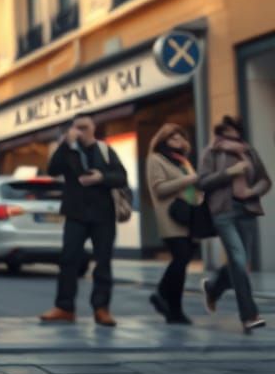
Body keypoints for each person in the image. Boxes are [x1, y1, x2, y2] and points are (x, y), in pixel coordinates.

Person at [40, 113, 128, 327]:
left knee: (103, 263)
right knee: (68, 260)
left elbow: (122, 176)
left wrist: (102, 178)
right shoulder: (68, 150)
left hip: (103, 215)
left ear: (93, 128)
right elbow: (52, 170)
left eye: (84, 127)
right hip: (76, 214)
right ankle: (64, 308)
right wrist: (64, 144)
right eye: (76, 127)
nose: (80, 131)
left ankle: (101, 309)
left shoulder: (105, 150)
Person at [198, 116, 270, 333]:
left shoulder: (249, 152)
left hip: (247, 210)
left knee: (241, 263)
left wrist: (252, 191)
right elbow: (202, 181)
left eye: (235, 131)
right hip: (223, 212)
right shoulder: (211, 152)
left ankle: (212, 287)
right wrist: (230, 172)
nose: (231, 135)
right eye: (226, 131)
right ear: (220, 133)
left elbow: (265, 180)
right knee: (238, 260)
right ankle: (249, 316)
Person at [145, 124, 202, 325]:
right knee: (180, 259)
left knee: (183, 261)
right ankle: (170, 304)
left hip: (189, 217)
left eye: (181, 138)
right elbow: (160, 188)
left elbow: (193, 186)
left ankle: (168, 305)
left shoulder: (183, 161)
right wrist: (190, 179)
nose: (178, 141)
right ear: (163, 140)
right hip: (171, 217)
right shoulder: (156, 159)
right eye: (173, 138)